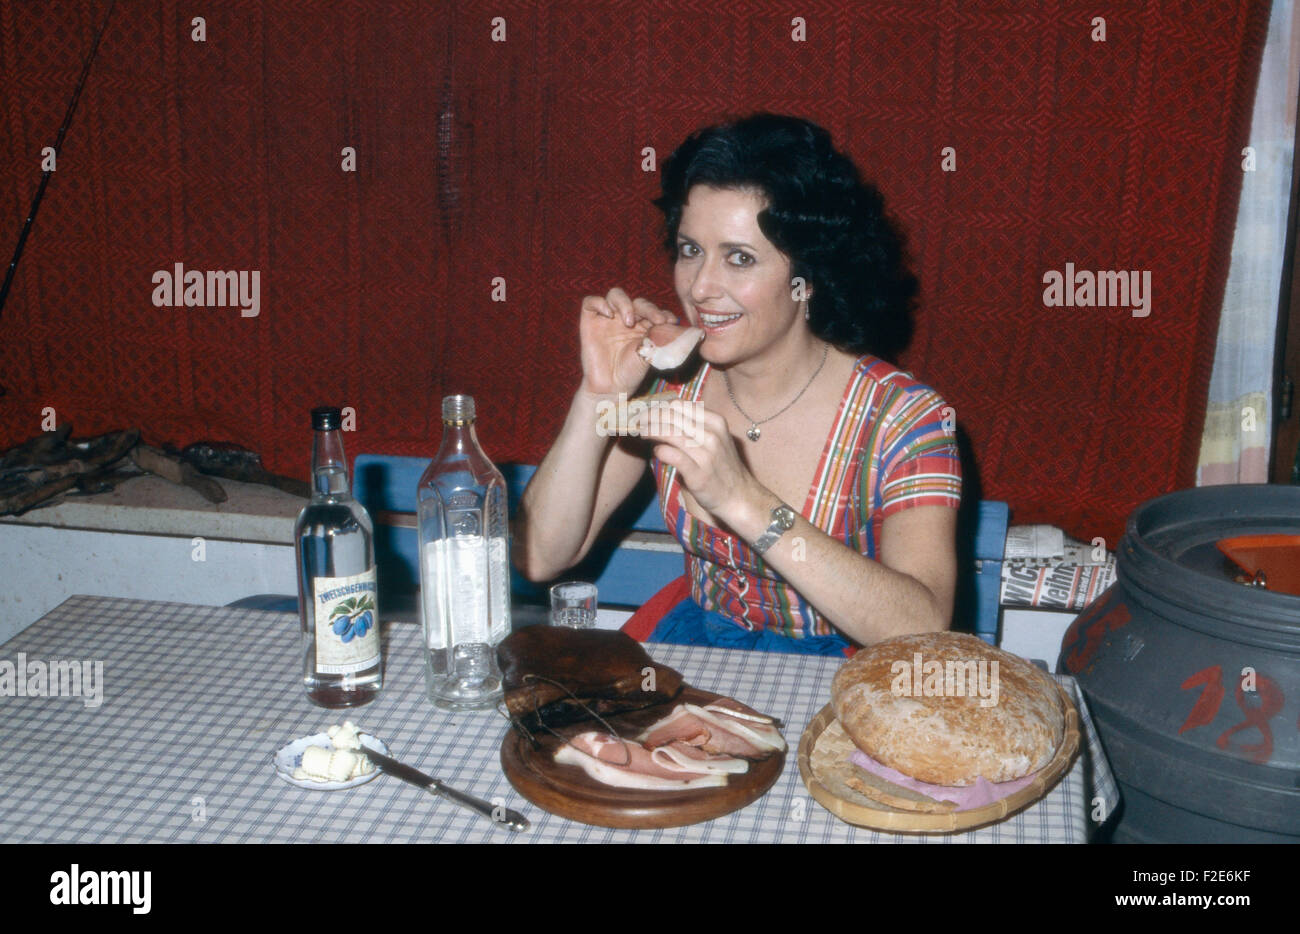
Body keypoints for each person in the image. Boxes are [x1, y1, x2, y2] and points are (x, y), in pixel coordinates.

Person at [513, 113, 961, 654]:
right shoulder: (670, 383)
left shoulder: (905, 418)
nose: (700, 287)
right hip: (701, 655)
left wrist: (742, 498)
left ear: (808, 279)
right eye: (690, 249)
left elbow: (924, 626)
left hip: (845, 676)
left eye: (740, 258)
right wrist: (599, 396)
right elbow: (540, 554)